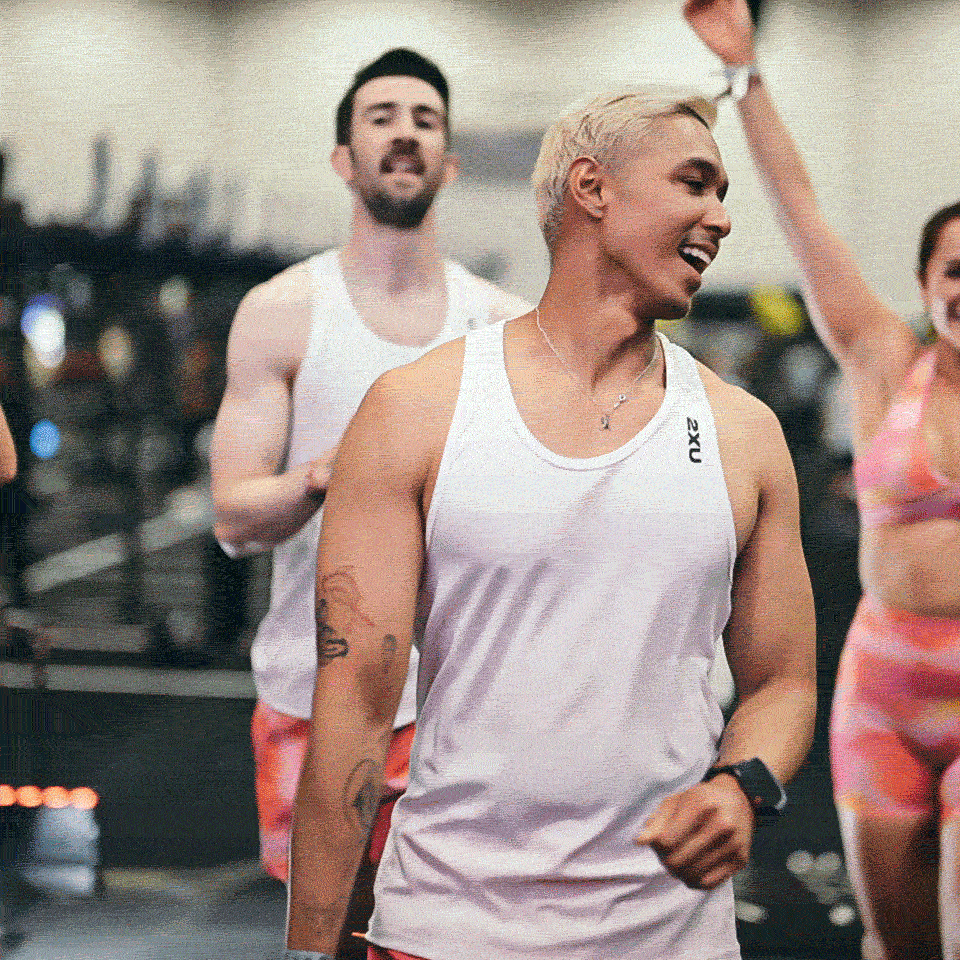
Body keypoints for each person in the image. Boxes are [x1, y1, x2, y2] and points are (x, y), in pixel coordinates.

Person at [286, 85, 817, 960]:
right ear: (592, 187)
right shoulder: (415, 410)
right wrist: (308, 950)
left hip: (668, 938)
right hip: (448, 928)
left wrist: (739, 787)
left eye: (724, 194)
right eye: (694, 184)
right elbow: (355, 704)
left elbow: (783, 683)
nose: (721, 218)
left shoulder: (744, 434)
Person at [209, 45, 528, 946]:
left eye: (425, 121)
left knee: (446, 938)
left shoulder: (501, 327)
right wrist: (328, 475)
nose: (405, 134)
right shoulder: (281, 312)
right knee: (329, 936)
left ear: (449, 164)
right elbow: (233, 516)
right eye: (382, 118)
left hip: (460, 699)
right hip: (313, 690)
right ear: (344, 159)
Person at [685, 2, 960, 958]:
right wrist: (745, 74)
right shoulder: (886, 364)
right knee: (893, 944)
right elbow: (800, 214)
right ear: (925, 285)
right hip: (883, 689)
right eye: (954, 270)